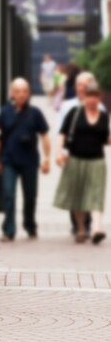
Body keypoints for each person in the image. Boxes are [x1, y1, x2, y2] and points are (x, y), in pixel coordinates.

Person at [0, 78, 51, 241]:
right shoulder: (4, 112)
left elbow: (45, 135)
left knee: (30, 196)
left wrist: (47, 158)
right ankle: (9, 230)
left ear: (29, 93)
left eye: (24, 91)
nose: (21, 94)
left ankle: (30, 224)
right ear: (12, 93)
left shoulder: (35, 113)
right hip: (8, 160)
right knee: (8, 195)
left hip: (30, 161)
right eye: (17, 91)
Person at [54, 83, 110, 244]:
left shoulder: (104, 116)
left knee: (96, 195)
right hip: (75, 160)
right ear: (84, 97)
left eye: (95, 96)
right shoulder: (75, 113)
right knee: (78, 196)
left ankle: (96, 229)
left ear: (99, 99)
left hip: (97, 161)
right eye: (89, 96)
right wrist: (59, 153)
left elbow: (106, 138)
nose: (92, 99)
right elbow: (62, 134)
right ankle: (80, 229)